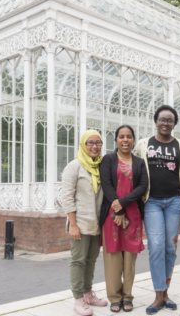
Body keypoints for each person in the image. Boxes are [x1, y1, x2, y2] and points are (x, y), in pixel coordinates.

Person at [132, 105, 180, 315]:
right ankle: (158, 295)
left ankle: (166, 292)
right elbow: (132, 168)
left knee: (170, 247)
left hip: (175, 202)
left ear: (174, 124)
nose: (165, 123)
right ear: (155, 121)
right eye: (162, 119)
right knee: (156, 246)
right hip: (152, 202)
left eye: (170, 120)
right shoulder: (143, 144)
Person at [99, 125, 148, 313]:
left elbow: (142, 186)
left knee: (129, 260)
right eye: (121, 136)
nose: (125, 140)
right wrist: (117, 209)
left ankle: (127, 297)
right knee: (112, 258)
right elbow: (107, 184)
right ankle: (114, 298)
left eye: (128, 136)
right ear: (116, 140)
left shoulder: (139, 162)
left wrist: (123, 203)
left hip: (133, 215)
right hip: (112, 216)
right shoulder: (108, 160)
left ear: (133, 140)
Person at [61, 130, 109, 316]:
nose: (94, 146)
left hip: (96, 224)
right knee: (78, 261)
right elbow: (67, 198)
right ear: (83, 144)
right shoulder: (74, 167)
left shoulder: (101, 166)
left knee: (91, 260)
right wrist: (73, 225)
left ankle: (88, 293)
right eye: (90, 142)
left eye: (98, 142)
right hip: (79, 223)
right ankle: (78, 298)